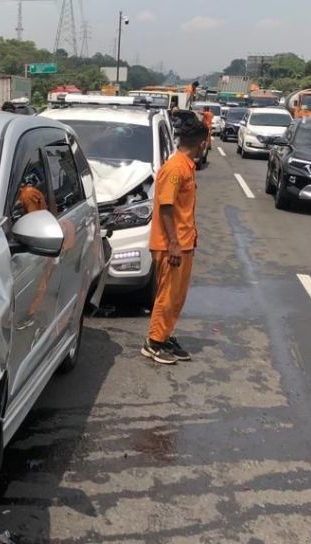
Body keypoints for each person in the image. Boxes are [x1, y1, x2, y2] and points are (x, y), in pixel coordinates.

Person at [141, 116, 209, 365]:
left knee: (176, 296)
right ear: (201, 143)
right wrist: (173, 243)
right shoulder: (175, 168)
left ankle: (164, 335)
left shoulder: (186, 166)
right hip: (172, 244)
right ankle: (154, 343)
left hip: (183, 242)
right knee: (168, 295)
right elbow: (166, 205)